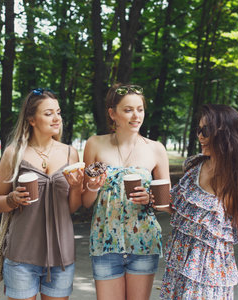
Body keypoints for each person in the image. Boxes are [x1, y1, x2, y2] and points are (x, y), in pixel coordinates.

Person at [159, 104, 238, 299]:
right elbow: (179, 211)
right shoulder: (194, 167)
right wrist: (151, 199)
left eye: (206, 130)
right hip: (179, 269)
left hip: (210, 278)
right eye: (199, 130)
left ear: (225, 135)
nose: (200, 136)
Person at [82, 83, 170, 300]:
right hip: (104, 242)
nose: (136, 115)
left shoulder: (156, 149)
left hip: (143, 241)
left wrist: (150, 199)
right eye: (128, 110)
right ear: (113, 113)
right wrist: (93, 187)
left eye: (140, 109)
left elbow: (166, 203)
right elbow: (86, 202)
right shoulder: (94, 144)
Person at [0, 88, 84, 300]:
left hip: (61, 257)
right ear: (31, 119)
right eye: (48, 113)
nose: (56, 118)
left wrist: (77, 187)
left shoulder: (70, 153)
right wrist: (11, 199)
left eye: (59, 112)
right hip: (21, 256)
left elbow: (71, 208)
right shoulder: (13, 153)